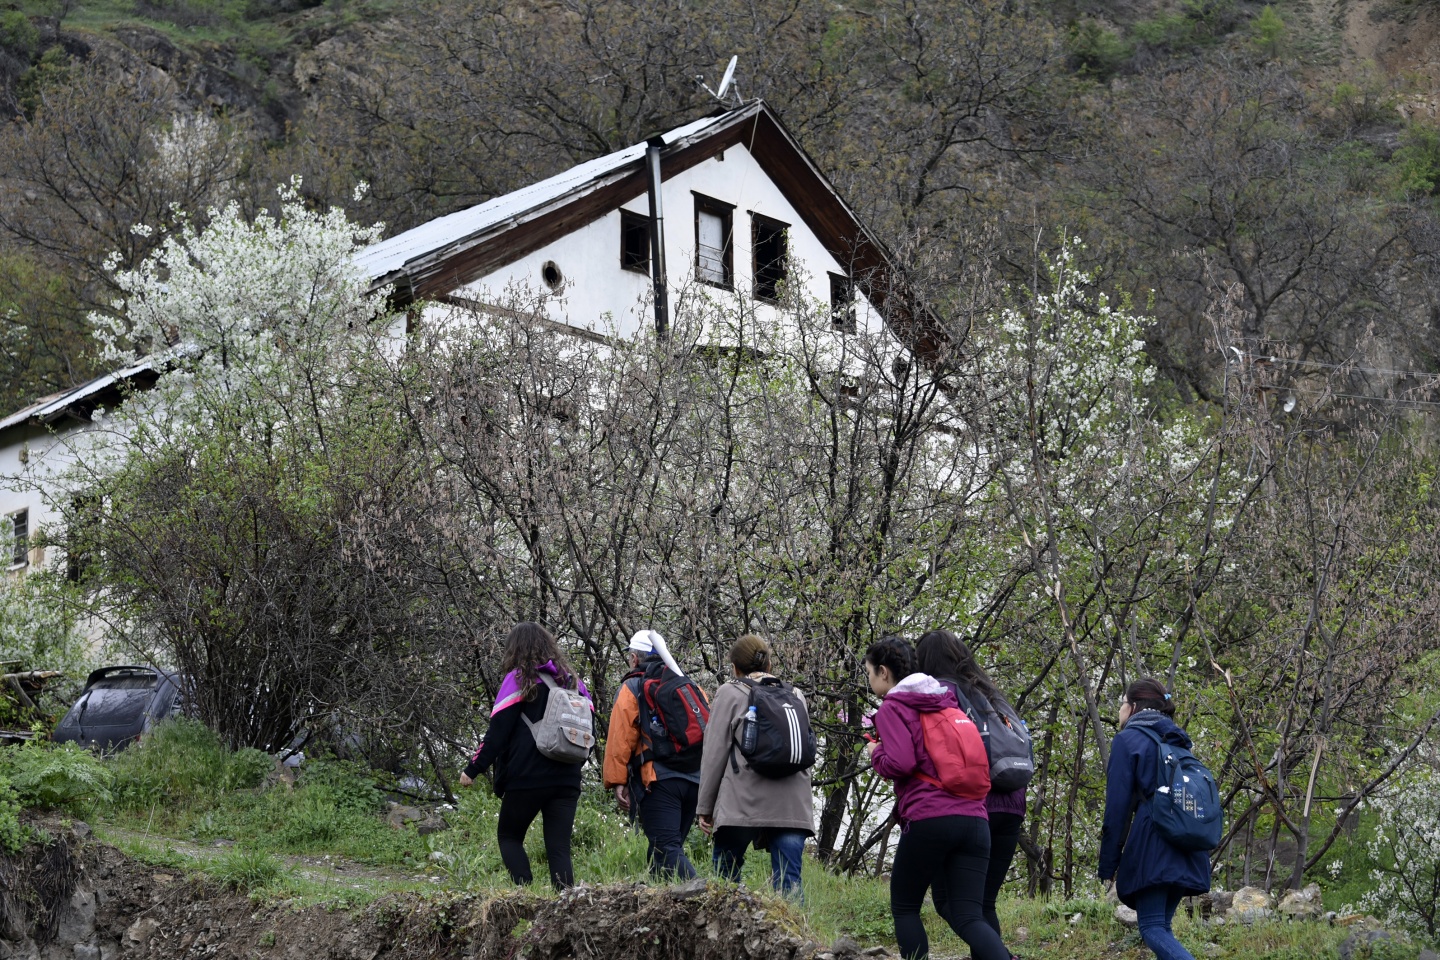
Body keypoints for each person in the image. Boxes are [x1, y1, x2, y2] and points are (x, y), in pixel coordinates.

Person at [865, 635, 1012, 960]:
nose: (871, 680)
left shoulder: (893, 707)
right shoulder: (947, 701)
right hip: (976, 820)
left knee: (905, 907)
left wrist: (876, 753)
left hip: (930, 817)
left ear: (884, 673)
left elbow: (902, 763)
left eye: (870, 673)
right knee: (969, 915)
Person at [459, 622, 592, 889]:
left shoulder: (519, 679)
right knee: (559, 849)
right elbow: (589, 730)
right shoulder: (574, 683)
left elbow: (497, 733)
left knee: (509, 836)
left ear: (515, 649)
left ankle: (524, 895)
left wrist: (473, 769)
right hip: (567, 777)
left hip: (526, 776)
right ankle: (565, 906)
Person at [915, 630, 1027, 942]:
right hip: (1013, 803)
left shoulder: (939, 693)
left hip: (972, 806)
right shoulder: (991, 693)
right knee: (983, 904)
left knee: (950, 902)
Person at [1098, 677, 1211, 960]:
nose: (1119, 711)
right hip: (1187, 843)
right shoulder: (1179, 740)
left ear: (1133, 706)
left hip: (1154, 843)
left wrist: (1108, 863)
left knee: (1151, 928)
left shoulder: (1128, 740)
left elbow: (1117, 809)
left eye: (1122, 703)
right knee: (1162, 928)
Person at [696, 633, 815, 900]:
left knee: (725, 882)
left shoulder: (730, 692)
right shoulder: (796, 695)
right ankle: (795, 941)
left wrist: (705, 808)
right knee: (789, 884)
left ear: (735, 667)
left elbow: (714, 753)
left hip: (742, 803)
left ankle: (725, 935)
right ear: (769, 665)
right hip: (791, 805)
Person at [601, 629, 706, 879]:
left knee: (667, 847)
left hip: (659, 781)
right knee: (664, 848)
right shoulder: (690, 686)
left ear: (635, 659)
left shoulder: (633, 686)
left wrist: (617, 781)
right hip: (695, 779)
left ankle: (704, 896)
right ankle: (664, 901)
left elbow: (620, 737)